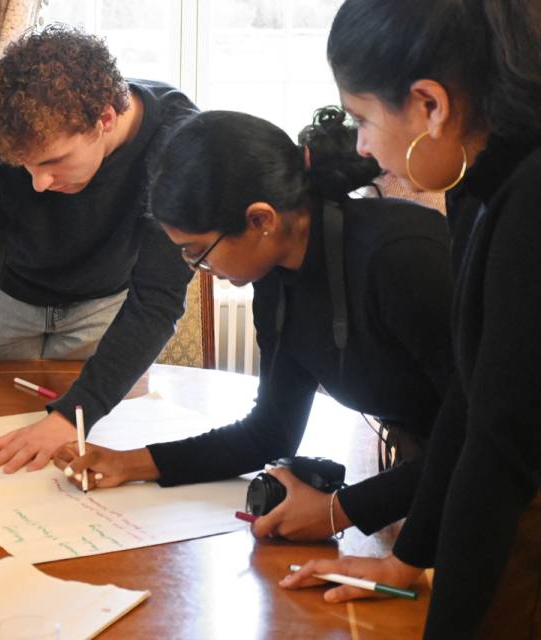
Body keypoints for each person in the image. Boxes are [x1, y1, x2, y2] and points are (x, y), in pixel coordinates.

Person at [54, 107, 455, 542]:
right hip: (428, 480)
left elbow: (478, 429)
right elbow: (270, 433)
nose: (195, 268)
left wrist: (340, 511)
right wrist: (128, 463)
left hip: (488, 483)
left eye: (197, 252)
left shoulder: (402, 257)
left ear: (261, 219)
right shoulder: (276, 278)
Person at [280, 1, 541, 637]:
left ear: (430, 105)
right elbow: (473, 398)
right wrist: (406, 559)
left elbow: (499, 449)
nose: (361, 144)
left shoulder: (529, 200)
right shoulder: (481, 179)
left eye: (362, 117)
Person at [0, 25, 195, 473]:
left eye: (52, 163)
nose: (38, 183)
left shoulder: (178, 145)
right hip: (9, 302)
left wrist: (69, 416)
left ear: (105, 119)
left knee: (88, 460)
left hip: (107, 310)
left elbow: (157, 302)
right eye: (24, 166)